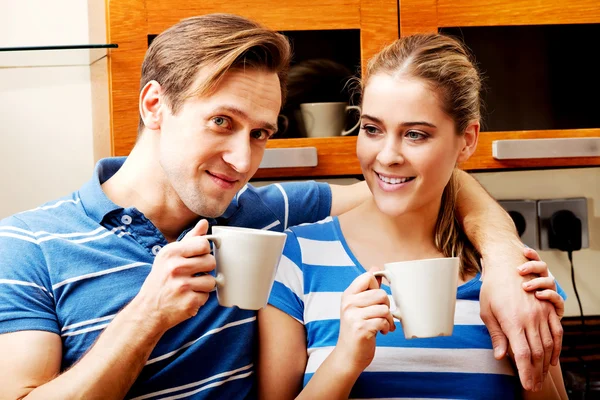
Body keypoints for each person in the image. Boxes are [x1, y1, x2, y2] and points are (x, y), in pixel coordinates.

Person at [0, 14, 559, 399]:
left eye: (261, 133)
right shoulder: (29, 248)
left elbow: (416, 182)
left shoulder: (262, 216)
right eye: (222, 122)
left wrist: (505, 257)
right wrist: (147, 315)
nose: (242, 161)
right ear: (154, 105)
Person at [259, 33, 568, 399]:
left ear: (467, 141)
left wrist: (534, 353)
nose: (387, 155)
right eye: (372, 129)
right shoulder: (297, 257)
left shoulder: (509, 275)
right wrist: (345, 360)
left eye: (416, 135)